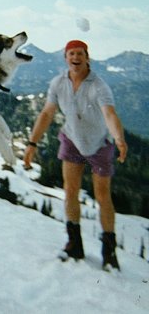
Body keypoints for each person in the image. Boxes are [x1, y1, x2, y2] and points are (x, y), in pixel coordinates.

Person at [23, 40, 128, 271]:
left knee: (102, 196)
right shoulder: (58, 83)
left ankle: (109, 252)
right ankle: (75, 244)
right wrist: (32, 143)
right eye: (71, 54)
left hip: (100, 144)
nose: (75, 58)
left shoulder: (99, 86)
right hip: (71, 140)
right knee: (70, 191)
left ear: (87, 57)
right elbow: (47, 113)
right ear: (65, 58)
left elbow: (109, 114)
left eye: (80, 54)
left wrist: (119, 138)